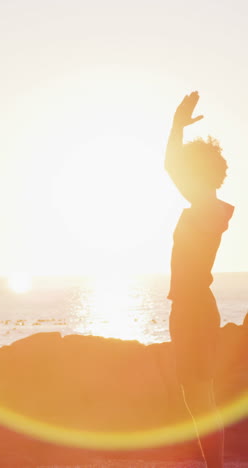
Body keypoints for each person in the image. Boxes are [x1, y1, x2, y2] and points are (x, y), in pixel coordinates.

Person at [165, 91, 234, 468]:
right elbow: (173, 167)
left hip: (194, 311)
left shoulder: (209, 208)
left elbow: (170, 166)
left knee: (200, 400)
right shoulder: (206, 207)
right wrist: (177, 126)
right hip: (193, 309)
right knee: (197, 400)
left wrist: (177, 125)